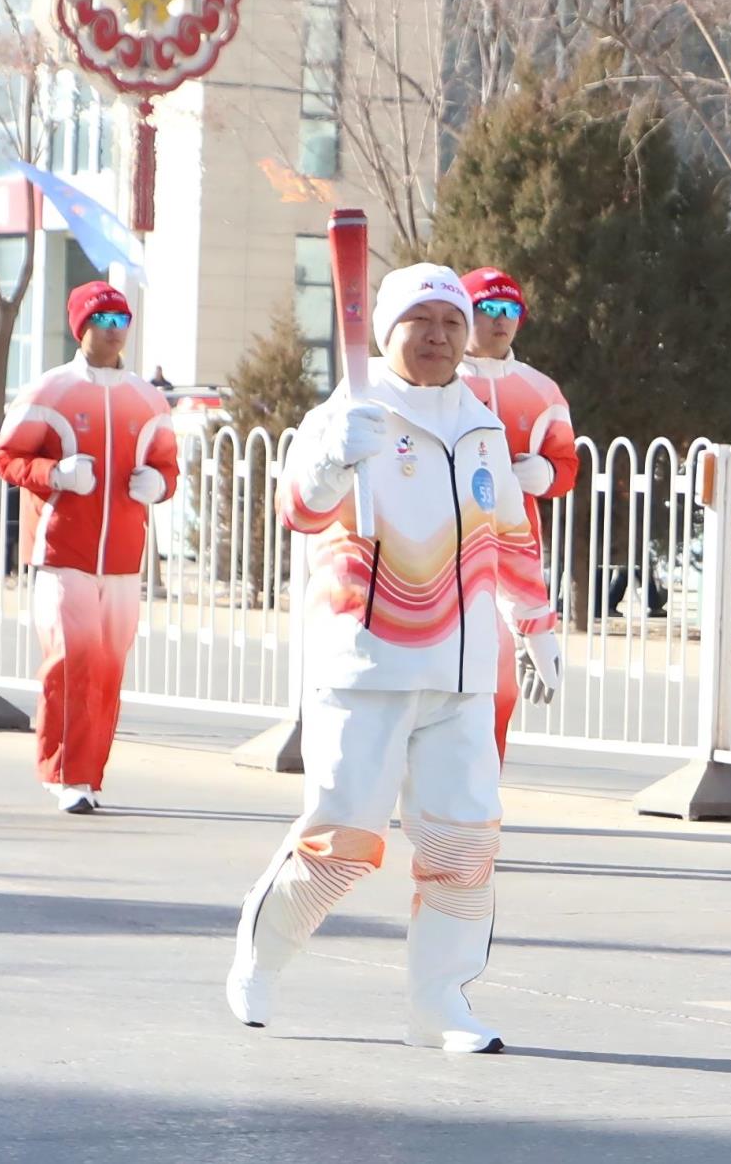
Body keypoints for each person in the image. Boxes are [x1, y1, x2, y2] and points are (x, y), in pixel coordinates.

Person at [225, 264, 563, 1054]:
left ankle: (440, 1003)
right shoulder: (349, 411)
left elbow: (512, 535)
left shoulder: (481, 424)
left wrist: (536, 624)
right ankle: (261, 959)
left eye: (452, 322)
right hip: (367, 666)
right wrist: (330, 463)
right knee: (341, 841)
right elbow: (298, 510)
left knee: (464, 844)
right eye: (422, 321)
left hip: (462, 675)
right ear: (387, 331)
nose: (439, 336)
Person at [0, 282, 178, 815]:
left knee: (108, 670)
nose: (115, 332)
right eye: (104, 321)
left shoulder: (147, 398)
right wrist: (56, 474)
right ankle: (66, 775)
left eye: (122, 321)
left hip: (122, 560)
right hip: (62, 553)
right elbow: (7, 458)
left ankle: (88, 775)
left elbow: (168, 466)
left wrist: (158, 484)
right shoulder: (50, 391)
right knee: (71, 663)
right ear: (82, 328)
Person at [455, 265, 578, 762]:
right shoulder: (439, 381)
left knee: (497, 688)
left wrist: (544, 474)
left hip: (513, 553)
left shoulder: (541, 390)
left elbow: (567, 465)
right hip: (442, 557)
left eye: (511, 310)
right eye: (488, 308)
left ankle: (482, 793)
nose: (500, 320)